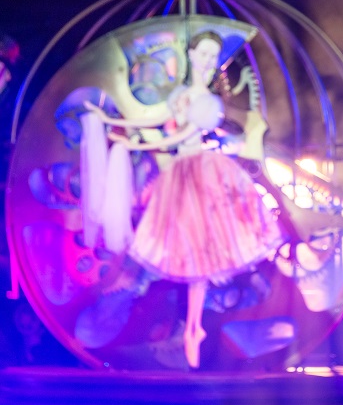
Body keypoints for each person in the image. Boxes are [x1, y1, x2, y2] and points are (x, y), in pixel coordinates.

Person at [83, 30, 283, 368]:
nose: (207, 61)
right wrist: (110, 120)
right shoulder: (183, 95)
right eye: (202, 54)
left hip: (201, 173)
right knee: (192, 253)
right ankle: (192, 327)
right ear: (190, 55)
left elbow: (181, 134)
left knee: (201, 252)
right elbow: (155, 120)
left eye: (212, 56)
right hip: (183, 175)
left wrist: (136, 143)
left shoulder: (207, 99)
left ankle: (193, 327)